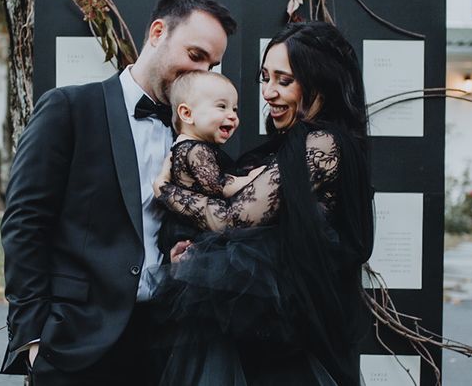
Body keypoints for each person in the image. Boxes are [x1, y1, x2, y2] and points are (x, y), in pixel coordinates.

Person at [0, 0, 236, 386]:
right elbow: (24, 224)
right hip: (75, 342)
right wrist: (32, 340)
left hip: (165, 343)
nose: (201, 73)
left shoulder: (197, 136)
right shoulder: (69, 108)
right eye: (195, 56)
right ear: (158, 32)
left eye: (211, 65)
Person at [153, 21, 375, 386]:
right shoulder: (291, 144)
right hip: (272, 337)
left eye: (284, 80)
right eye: (264, 78)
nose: (268, 93)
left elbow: (231, 220)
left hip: (295, 342)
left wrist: (166, 192)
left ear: (319, 81)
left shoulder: (321, 143)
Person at [164, 70, 264, 204]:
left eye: (234, 109)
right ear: (187, 114)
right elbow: (220, 186)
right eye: (222, 106)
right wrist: (253, 178)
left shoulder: (195, 147)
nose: (232, 115)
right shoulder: (194, 149)